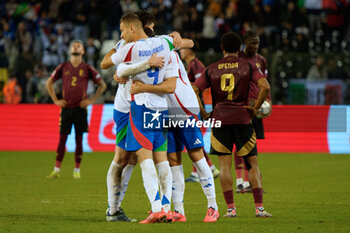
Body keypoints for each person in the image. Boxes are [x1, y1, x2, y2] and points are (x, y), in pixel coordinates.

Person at [118, 10, 220, 223]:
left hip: (183, 109)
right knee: (172, 160)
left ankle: (213, 206)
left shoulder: (165, 47)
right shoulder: (154, 48)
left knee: (196, 156)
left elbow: (188, 45)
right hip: (164, 111)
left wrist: (178, 37)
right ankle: (178, 210)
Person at [103, 13, 178, 224]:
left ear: (135, 28)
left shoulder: (131, 47)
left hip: (139, 106)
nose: (121, 34)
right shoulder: (162, 44)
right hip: (127, 108)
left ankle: (158, 208)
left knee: (138, 158)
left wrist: (133, 65)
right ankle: (115, 209)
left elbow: (116, 69)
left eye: (122, 30)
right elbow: (111, 68)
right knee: (124, 158)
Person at [192, 32, 272, 218]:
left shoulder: (212, 68)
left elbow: (195, 88)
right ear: (239, 48)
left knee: (225, 165)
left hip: (220, 119)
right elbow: (265, 86)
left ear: (222, 48)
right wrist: (255, 108)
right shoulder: (249, 65)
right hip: (243, 118)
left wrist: (204, 112)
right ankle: (259, 208)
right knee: (252, 165)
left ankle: (230, 209)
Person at [46, 40, 106, 180]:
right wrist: (56, 100)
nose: (76, 46)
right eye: (73, 45)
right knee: (62, 139)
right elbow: (49, 82)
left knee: (79, 140)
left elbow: (102, 85)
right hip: (66, 108)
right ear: (69, 50)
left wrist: (91, 100)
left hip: (80, 109)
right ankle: (56, 170)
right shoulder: (63, 67)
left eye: (79, 45)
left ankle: (77, 170)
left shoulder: (87, 68)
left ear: (83, 51)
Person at [236, 30, 271, 193]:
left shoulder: (262, 61)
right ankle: (241, 181)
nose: (255, 46)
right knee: (241, 143)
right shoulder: (237, 59)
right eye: (252, 43)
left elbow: (265, 83)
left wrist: (268, 100)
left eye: (257, 43)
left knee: (252, 144)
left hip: (256, 107)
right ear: (245, 43)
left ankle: (250, 181)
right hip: (242, 107)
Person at [180, 45, 220, 183]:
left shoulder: (195, 64)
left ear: (190, 50)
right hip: (191, 104)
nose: (181, 51)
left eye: (183, 49)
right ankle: (206, 169)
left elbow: (200, 83)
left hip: (195, 105)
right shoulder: (191, 64)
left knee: (192, 137)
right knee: (192, 137)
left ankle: (205, 169)